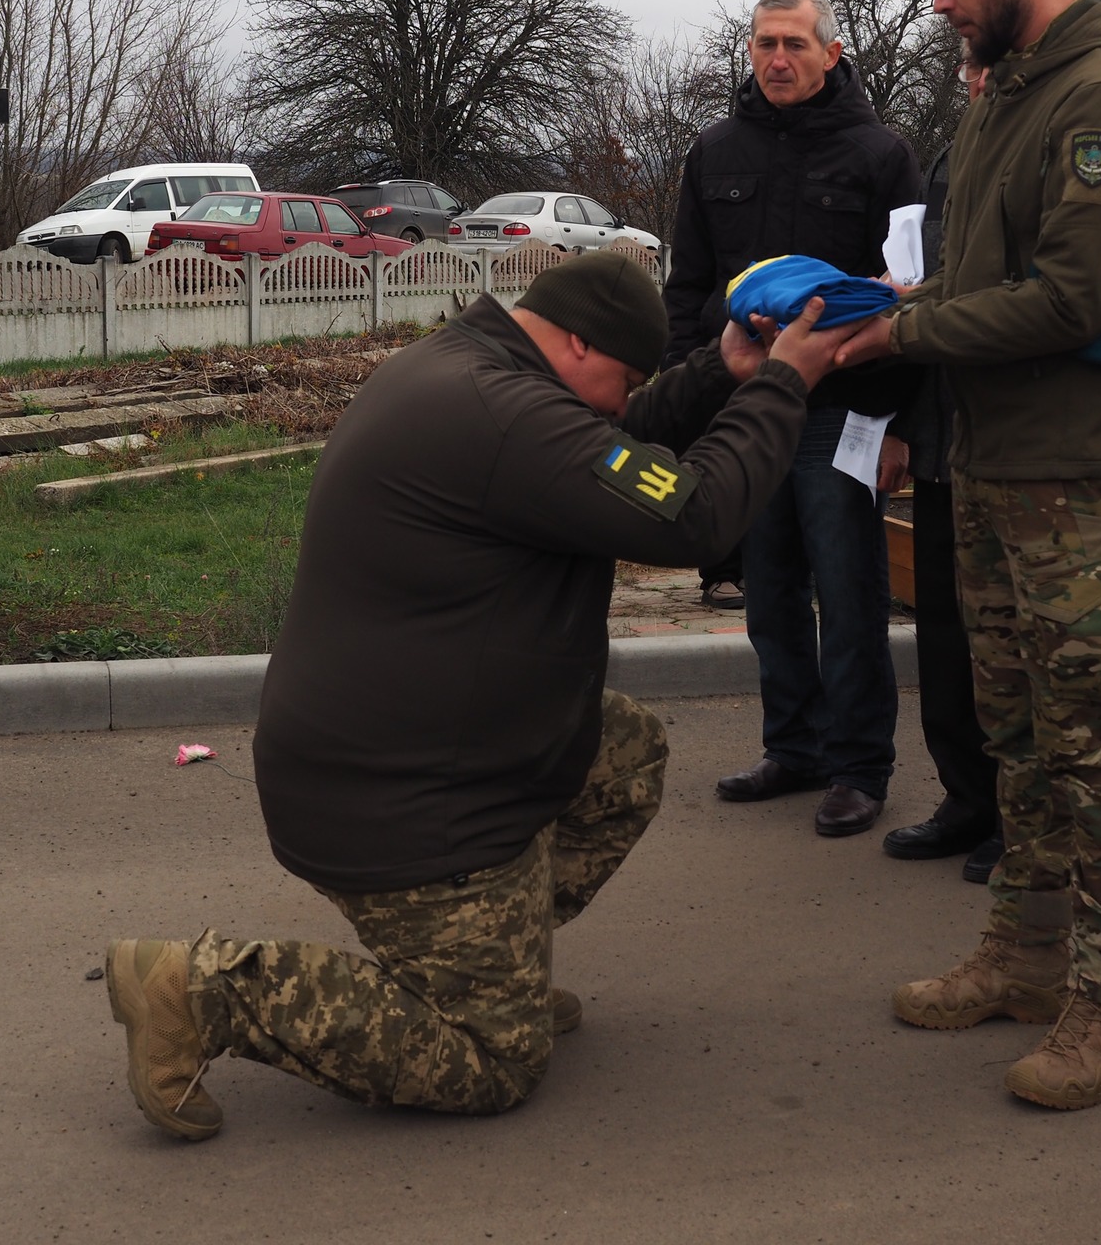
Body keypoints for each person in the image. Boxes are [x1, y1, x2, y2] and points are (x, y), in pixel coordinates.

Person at [103, 251, 855, 1136]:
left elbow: (602, 446)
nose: (622, 404)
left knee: (621, 753)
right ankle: (204, 990)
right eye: (621, 378)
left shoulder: (475, 373)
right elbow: (693, 516)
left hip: (408, 752)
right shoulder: (503, 414)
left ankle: (494, 964)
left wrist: (715, 374)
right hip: (407, 795)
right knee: (492, 1062)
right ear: (578, 343)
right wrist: (779, 384)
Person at [833, 0, 1101, 1110]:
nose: (934, 0)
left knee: (1092, 739)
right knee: (1016, 727)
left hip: (1074, 468)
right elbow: (979, 274)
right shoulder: (1000, 99)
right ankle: (1028, 954)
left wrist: (903, 340)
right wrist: (888, 309)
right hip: (992, 458)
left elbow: (1071, 300)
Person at [662, 0, 922, 838]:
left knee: (849, 592)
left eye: (795, 45)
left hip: (843, 413)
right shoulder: (714, 152)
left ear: (830, 54)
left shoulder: (882, 155)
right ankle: (794, 746)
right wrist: (691, 386)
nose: (778, 59)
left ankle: (858, 765)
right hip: (746, 411)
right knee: (768, 589)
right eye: (765, 44)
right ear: (750, 51)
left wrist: (898, 426)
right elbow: (689, 290)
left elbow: (911, 302)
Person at [882, 55, 1004, 884]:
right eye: (966, 65)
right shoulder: (954, 152)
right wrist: (896, 424)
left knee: (1006, 646)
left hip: (1007, 435)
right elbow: (927, 285)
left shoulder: (1049, 146)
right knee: (945, 636)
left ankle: (1016, 815)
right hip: (937, 431)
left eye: (987, 61)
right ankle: (965, 799)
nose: (975, 76)